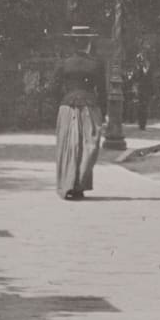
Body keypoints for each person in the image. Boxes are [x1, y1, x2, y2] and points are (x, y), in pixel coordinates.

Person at [53, 27, 107, 200]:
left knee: (69, 146)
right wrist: (104, 112)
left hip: (67, 106)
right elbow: (103, 91)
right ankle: (79, 185)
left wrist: (62, 103)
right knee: (88, 146)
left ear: (72, 43)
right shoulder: (96, 64)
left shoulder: (64, 63)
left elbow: (53, 89)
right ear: (89, 43)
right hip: (90, 106)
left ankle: (67, 184)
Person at [127, 52, 153, 131]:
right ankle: (139, 123)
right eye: (139, 59)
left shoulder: (148, 68)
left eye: (142, 59)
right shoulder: (137, 68)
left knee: (144, 107)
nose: (141, 60)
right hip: (138, 90)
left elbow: (151, 80)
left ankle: (143, 124)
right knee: (139, 107)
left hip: (146, 91)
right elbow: (134, 79)